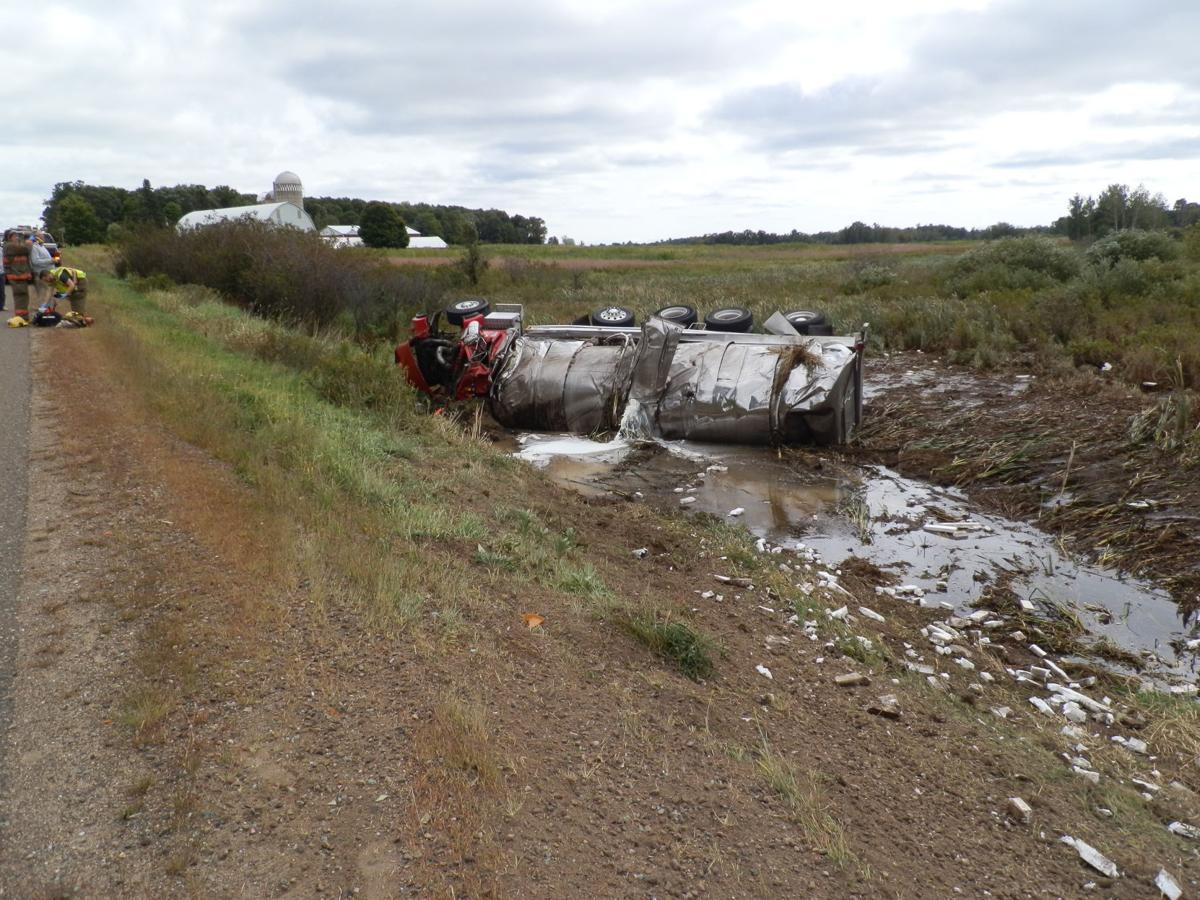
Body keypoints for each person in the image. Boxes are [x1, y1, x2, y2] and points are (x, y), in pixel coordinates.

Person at [2, 230, 33, 318]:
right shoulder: (9, 246)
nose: (17, 238)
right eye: (15, 236)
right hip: (16, 276)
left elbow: (26, 255)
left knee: (24, 296)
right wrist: (28, 243)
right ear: (9, 238)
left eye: (17, 236)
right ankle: (20, 316)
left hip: (22, 275)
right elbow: (25, 250)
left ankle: (24, 315)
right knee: (20, 296)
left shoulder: (16, 246)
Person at [27, 234, 54, 306]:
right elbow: (35, 261)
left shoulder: (42, 246)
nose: (44, 238)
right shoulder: (35, 247)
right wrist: (50, 261)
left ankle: (46, 308)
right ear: (37, 238)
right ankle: (41, 309)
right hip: (41, 274)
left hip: (47, 274)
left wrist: (53, 260)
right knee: (42, 293)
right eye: (42, 237)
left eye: (43, 237)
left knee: (47, 293)